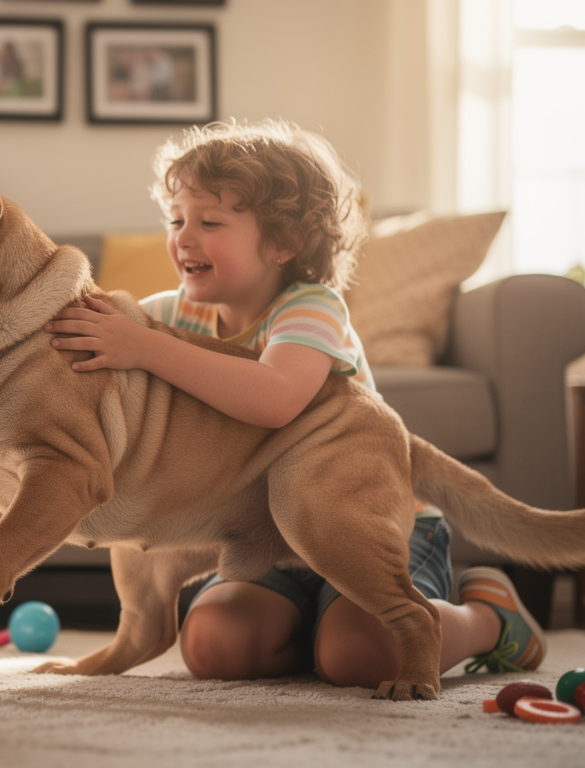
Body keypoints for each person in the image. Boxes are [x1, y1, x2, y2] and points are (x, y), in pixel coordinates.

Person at [43, 119, 544, 689]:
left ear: (284, 242)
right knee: (212, 647)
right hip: (256, 534)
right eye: (176, 219)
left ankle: (490, 618)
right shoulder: (164, 314)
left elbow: (275, 398)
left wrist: (146, 348)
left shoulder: (311, 307)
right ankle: (289, 628)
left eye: (210, 222)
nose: (183, 236)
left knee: (361, 655)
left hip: (361, 523)